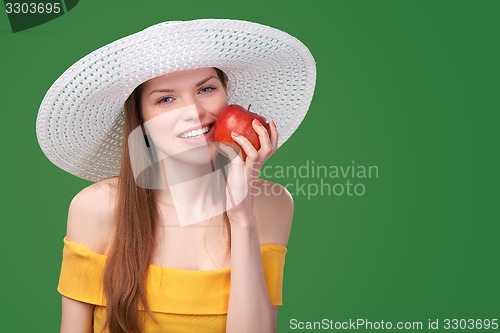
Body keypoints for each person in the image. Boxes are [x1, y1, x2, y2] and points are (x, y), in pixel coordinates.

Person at [36, 19, 316, 333]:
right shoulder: (96, 208)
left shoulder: (271, 204)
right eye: (166, 99)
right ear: (140, 117)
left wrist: (242, 215)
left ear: (227, 96)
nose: (194, 112)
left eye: (207, 89)